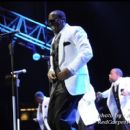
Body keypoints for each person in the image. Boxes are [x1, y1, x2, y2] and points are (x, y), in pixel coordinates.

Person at [47, 10, 93, 130]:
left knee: (61, 120)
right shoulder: (53, 39)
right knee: (51, 120)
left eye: (53, 21)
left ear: (62, 19)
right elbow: (55, 59)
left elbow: (87, 52)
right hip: (57, 83)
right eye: (49, 22)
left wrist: (69, 70)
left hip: (72, 79)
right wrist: (51, 70)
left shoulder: (75, 30)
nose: (50, 24)